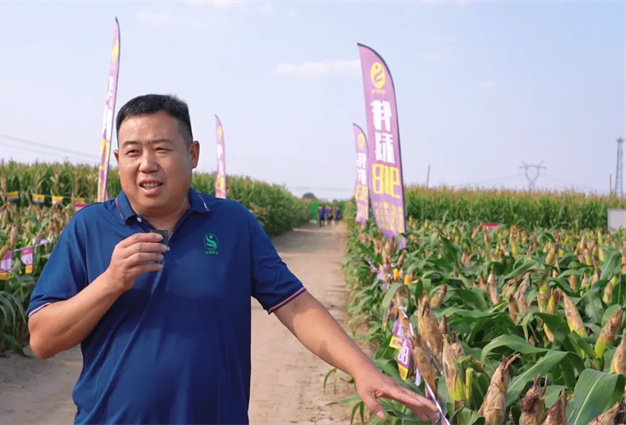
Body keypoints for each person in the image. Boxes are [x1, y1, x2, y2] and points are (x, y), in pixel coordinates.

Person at [26, 94, 438, 425]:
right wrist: (109, 282)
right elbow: (43, 339)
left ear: (193, 153)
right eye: (133, 152)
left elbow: (294, 304)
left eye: (161, 149)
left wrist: (362, 368)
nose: (147, 164)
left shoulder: (232, 223)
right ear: (119, 160)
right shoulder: (88, 228)